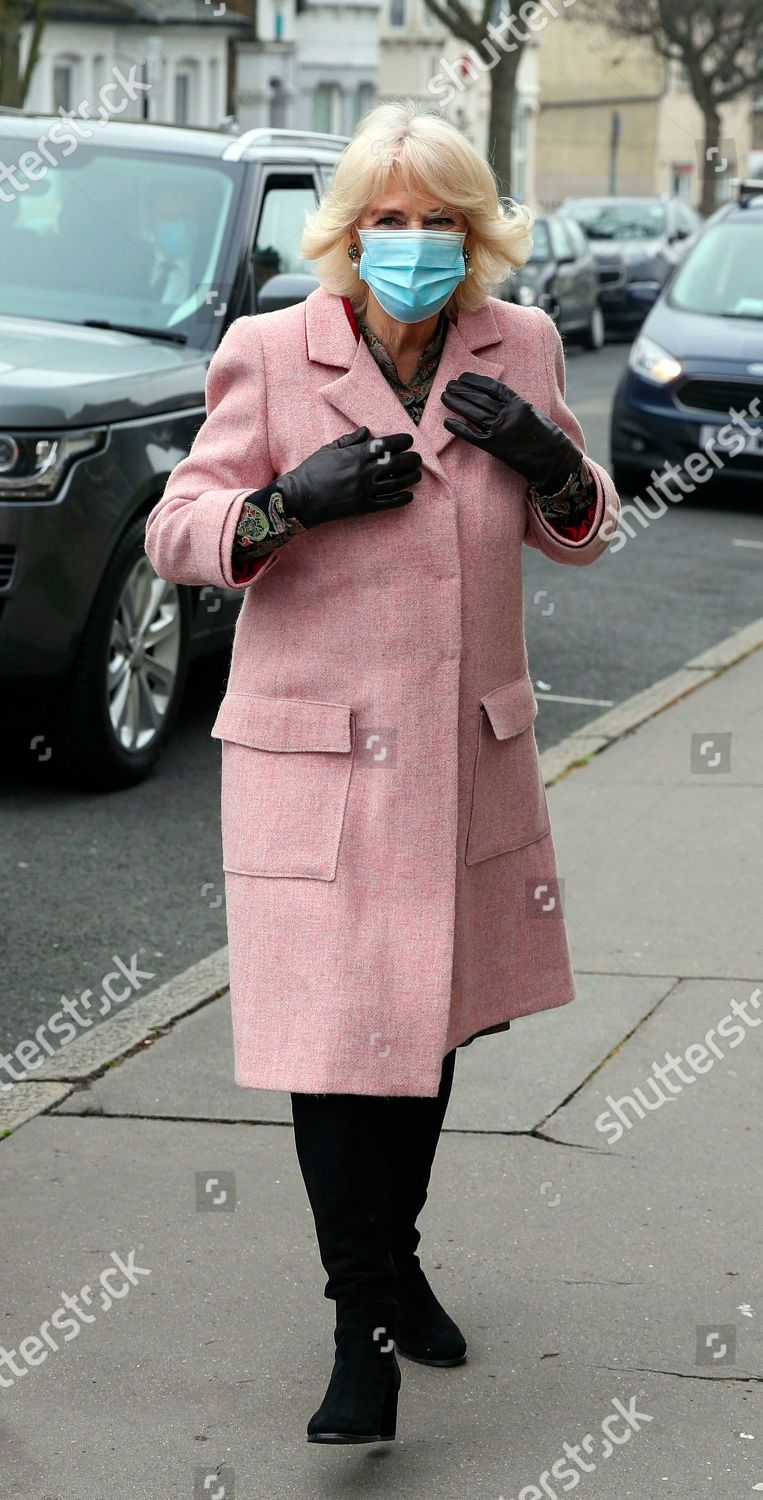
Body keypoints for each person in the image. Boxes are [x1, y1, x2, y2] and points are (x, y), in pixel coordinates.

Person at [144, 99, 621, 1447]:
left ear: (476, 236)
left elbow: (585, 531)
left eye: (439, 221)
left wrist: (547, 460)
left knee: (429, 1027)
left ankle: (396, 1260)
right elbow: (177, 530)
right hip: (315, 765)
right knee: (335, 1046)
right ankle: (361, 1336)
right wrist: (290, 504)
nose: (411, 244)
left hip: (463, 761)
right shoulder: (266, 349)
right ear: (347, 233)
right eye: (386, 220)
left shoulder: (517, 343)